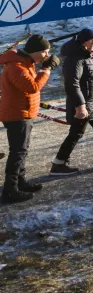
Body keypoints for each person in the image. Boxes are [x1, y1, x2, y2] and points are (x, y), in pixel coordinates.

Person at [49, 29, 93, 174]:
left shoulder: (89, 57)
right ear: (83, 43)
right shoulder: (74, 59)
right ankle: (59, 164)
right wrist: (80, 106)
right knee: (76, 133)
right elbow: (72, 84)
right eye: (90, 41)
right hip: (83, 104)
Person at [1, 35, 53, 203]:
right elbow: (32, 87)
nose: (46, 56)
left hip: (24, 113)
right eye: (45, 52)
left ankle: (20, 182)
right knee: (18, 151)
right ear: (35, 52)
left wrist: (44, 66)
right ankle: (10, 189)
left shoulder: (25, 63)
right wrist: (46, 69)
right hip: (16, 115)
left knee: (22, 150)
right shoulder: (16, 66)